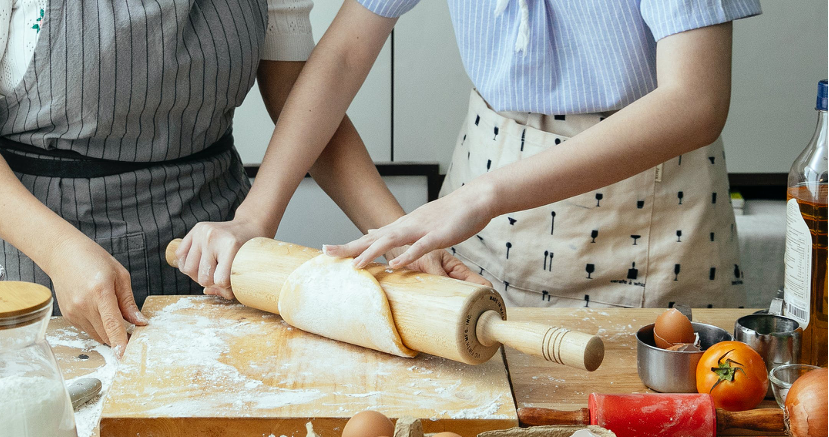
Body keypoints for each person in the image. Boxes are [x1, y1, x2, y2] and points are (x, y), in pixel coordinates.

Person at [0, 0, 481, 355]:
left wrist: (404, 238)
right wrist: (59, 251)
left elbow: (307, 104)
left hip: (216, 261)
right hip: (37, 258)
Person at [193, 0, 760, 310]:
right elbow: (341, 57)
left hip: (648, 222)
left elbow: (696, 100)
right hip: (482, 225)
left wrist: (485, 196)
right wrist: (254, 218)